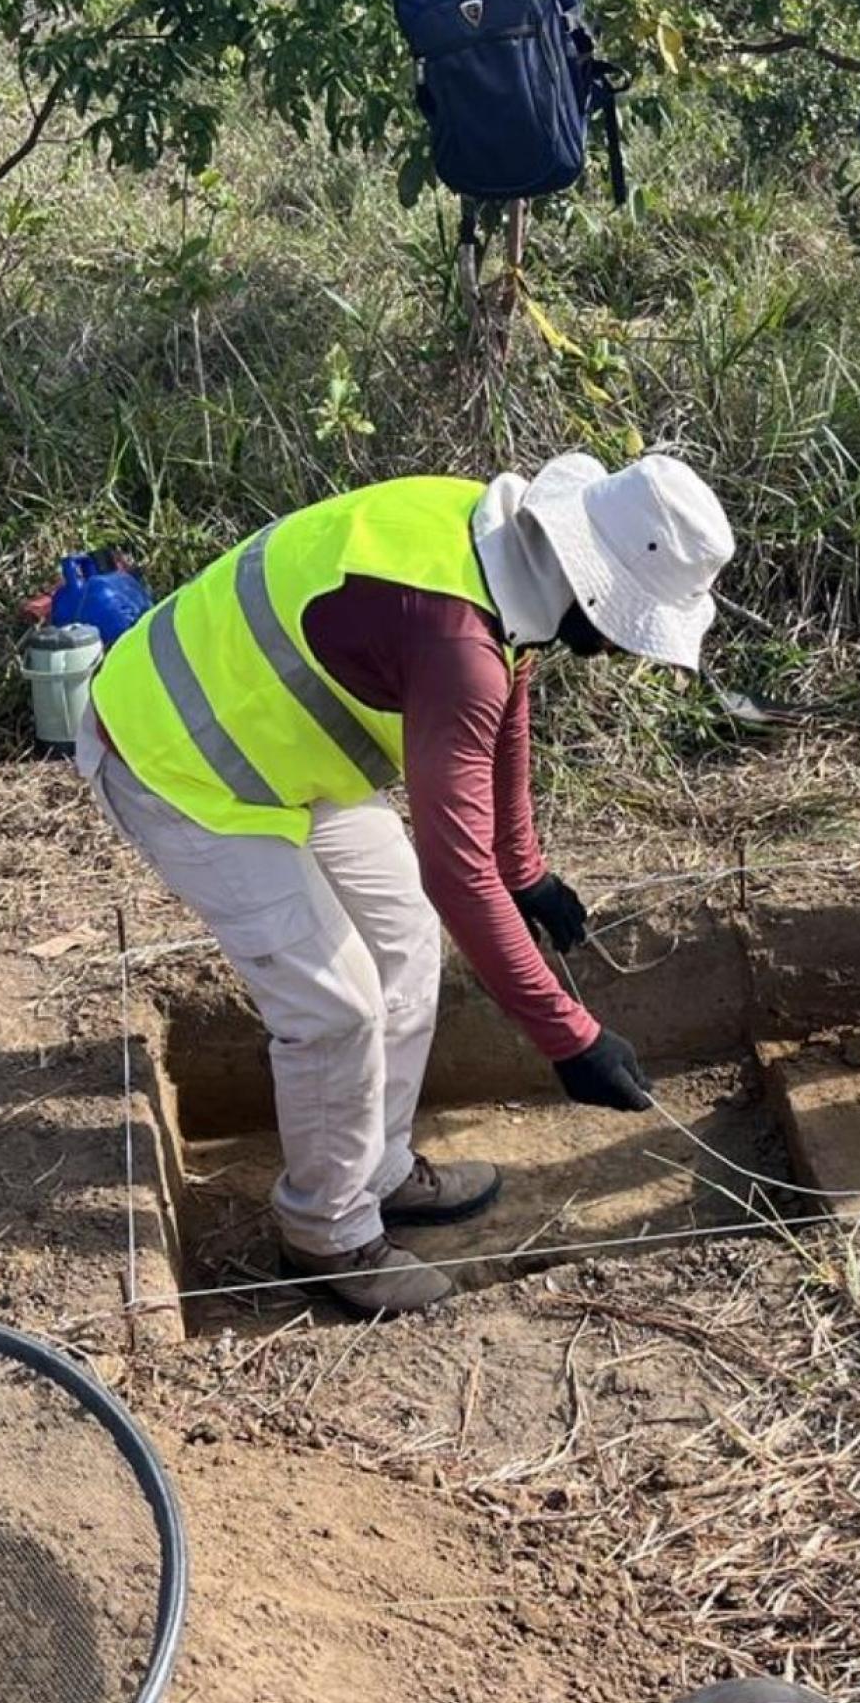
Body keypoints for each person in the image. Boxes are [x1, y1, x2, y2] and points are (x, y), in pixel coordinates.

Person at [81, 454, 736, 1314]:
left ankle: (377, 1166)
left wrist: (526, 869)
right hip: (178, 755)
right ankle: (326, 1234)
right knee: (335, 1008)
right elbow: (457, 871)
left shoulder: (496, 549)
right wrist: (569, 1038)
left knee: (403, 935)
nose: (621, 649)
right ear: (590, 582)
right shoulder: (456, 635)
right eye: (627, 626)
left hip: (276, 743)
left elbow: (508, 708)